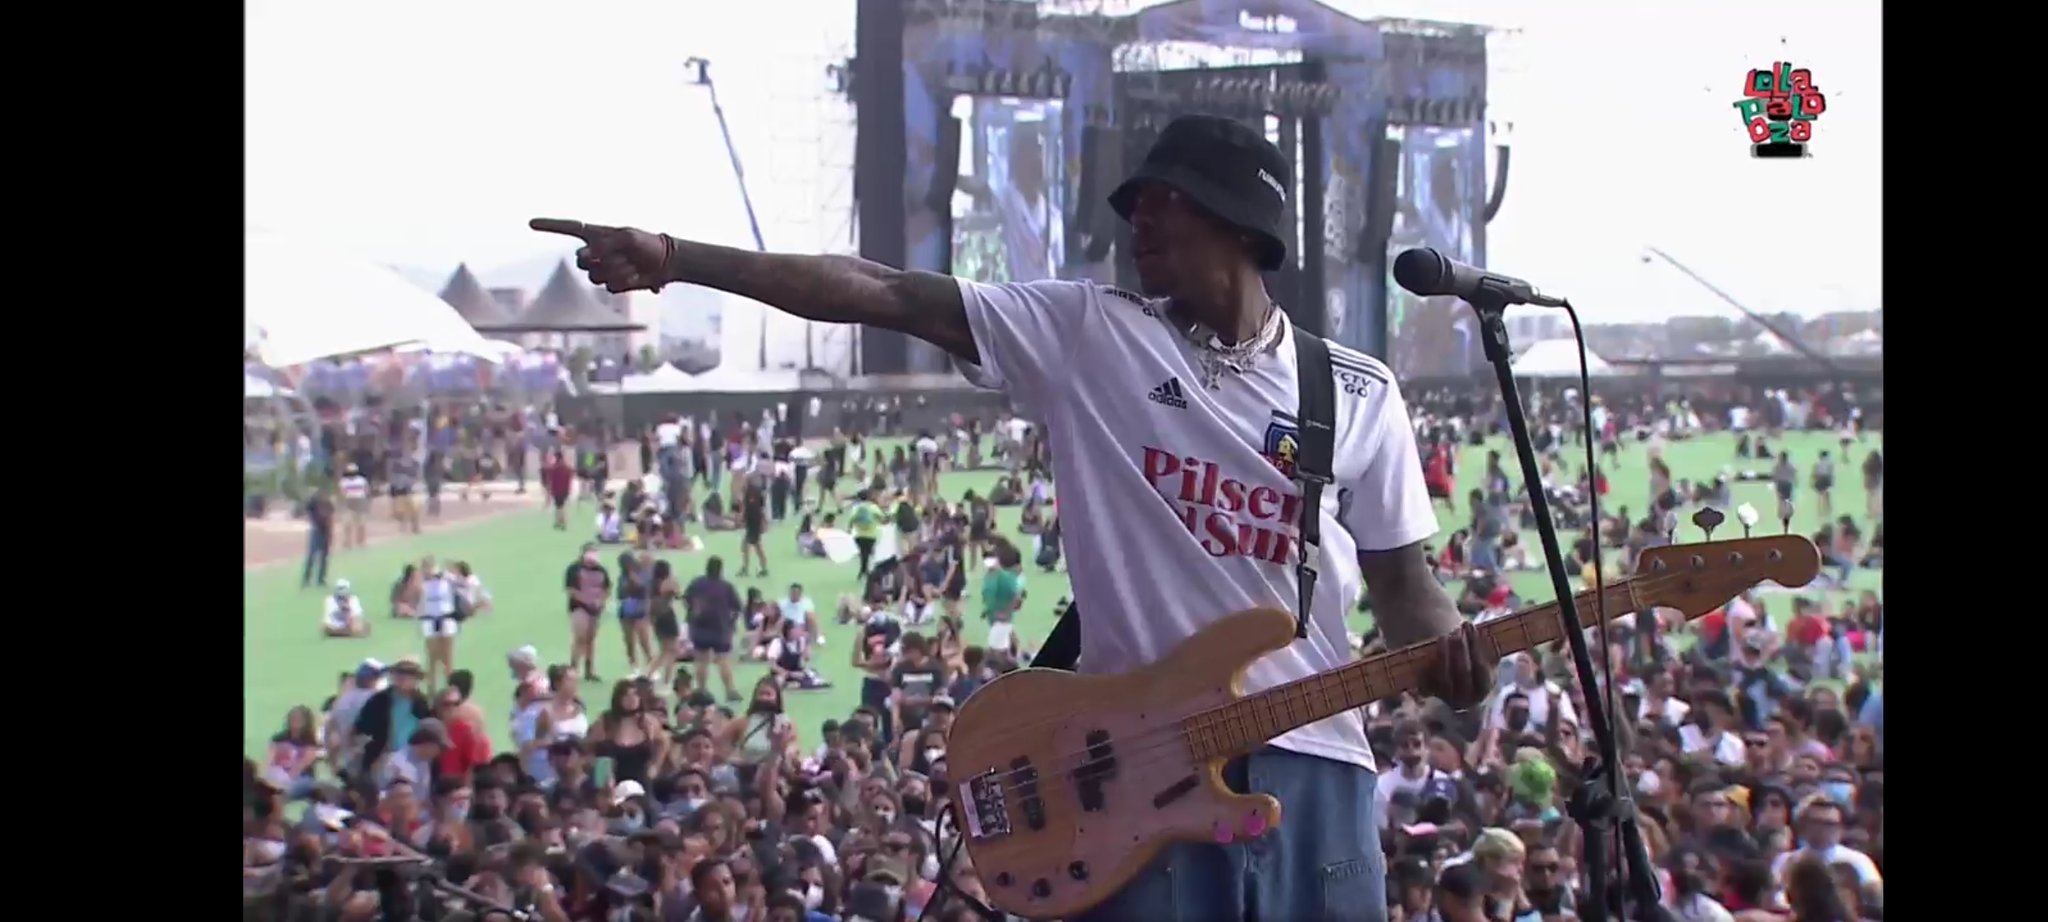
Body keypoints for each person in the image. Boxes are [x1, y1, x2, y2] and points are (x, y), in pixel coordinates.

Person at [531, 113, 1492, 922]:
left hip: (1318, 763)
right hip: (1141, 777)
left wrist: (1458, 662)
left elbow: (1408, 589)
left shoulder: (1359, 392)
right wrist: (676, 259)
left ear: (1241, 221)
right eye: (1134, 204)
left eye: (1163, 199)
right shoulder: (1090, 333)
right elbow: (884, 290)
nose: (1136, 219)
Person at [684, 555, 745, 703]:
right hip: (720, 628)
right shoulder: (726, 587)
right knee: (723, 659)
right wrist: (731, 622)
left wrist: (692, 613)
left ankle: (701, 690)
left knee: (701, 660)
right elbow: (737, 607)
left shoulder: (697, 583)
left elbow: (686, 600)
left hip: (699, 628)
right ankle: (730, 690)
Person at [564, 544, 611, 682]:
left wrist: (601, 601)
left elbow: (607, 588)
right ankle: (573, 669)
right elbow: (570, 590)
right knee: (580, 637)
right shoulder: (574, 569)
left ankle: (589, 670)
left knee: (591, 639)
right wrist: (586, 601)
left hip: (596, 608)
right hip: (579, 606)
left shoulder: (601, 570)